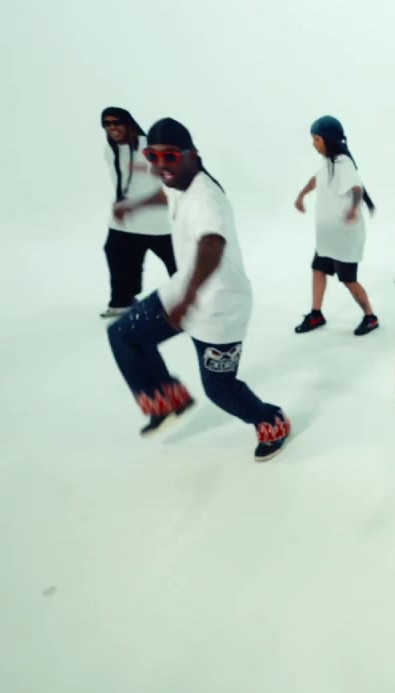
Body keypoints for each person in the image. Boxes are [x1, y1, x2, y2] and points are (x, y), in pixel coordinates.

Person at [108, 118, 291, 462]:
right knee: (123, 335)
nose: (160, 165)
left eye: (170, 156)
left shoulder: (207, 199)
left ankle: (271, 420)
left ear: (192, 155)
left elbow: (211, 246)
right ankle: (167, 401)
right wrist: (135, 206)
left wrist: (187, 301)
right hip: (184, 290)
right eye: (152, 156)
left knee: (219, 389)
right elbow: (167, 196)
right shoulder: (179, 181)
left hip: (221, 307)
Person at [293, 115, 380, 336]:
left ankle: (370, 317)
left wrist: (353, 208)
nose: (313, 144)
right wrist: (302, 194)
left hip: (344, 238)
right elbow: (317, 179)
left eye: (316, 139)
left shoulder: (343, 163)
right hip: (328, 237)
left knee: (349, 280)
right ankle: (316, 314)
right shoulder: (327, 163)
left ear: (328, 139)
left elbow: (357, 189)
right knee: (318, 269)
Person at [99, 107, 177, 318]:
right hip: (126, 222)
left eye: (117, 122)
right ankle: (122, 302)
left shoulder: (149, 147)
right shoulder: (110, 150)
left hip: (159, 222)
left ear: (128, 123)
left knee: (180, 265)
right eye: (107, 123)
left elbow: (169, 179)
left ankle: (196, 303)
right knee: (117, 256)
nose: (112, 127)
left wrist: (136, 202)